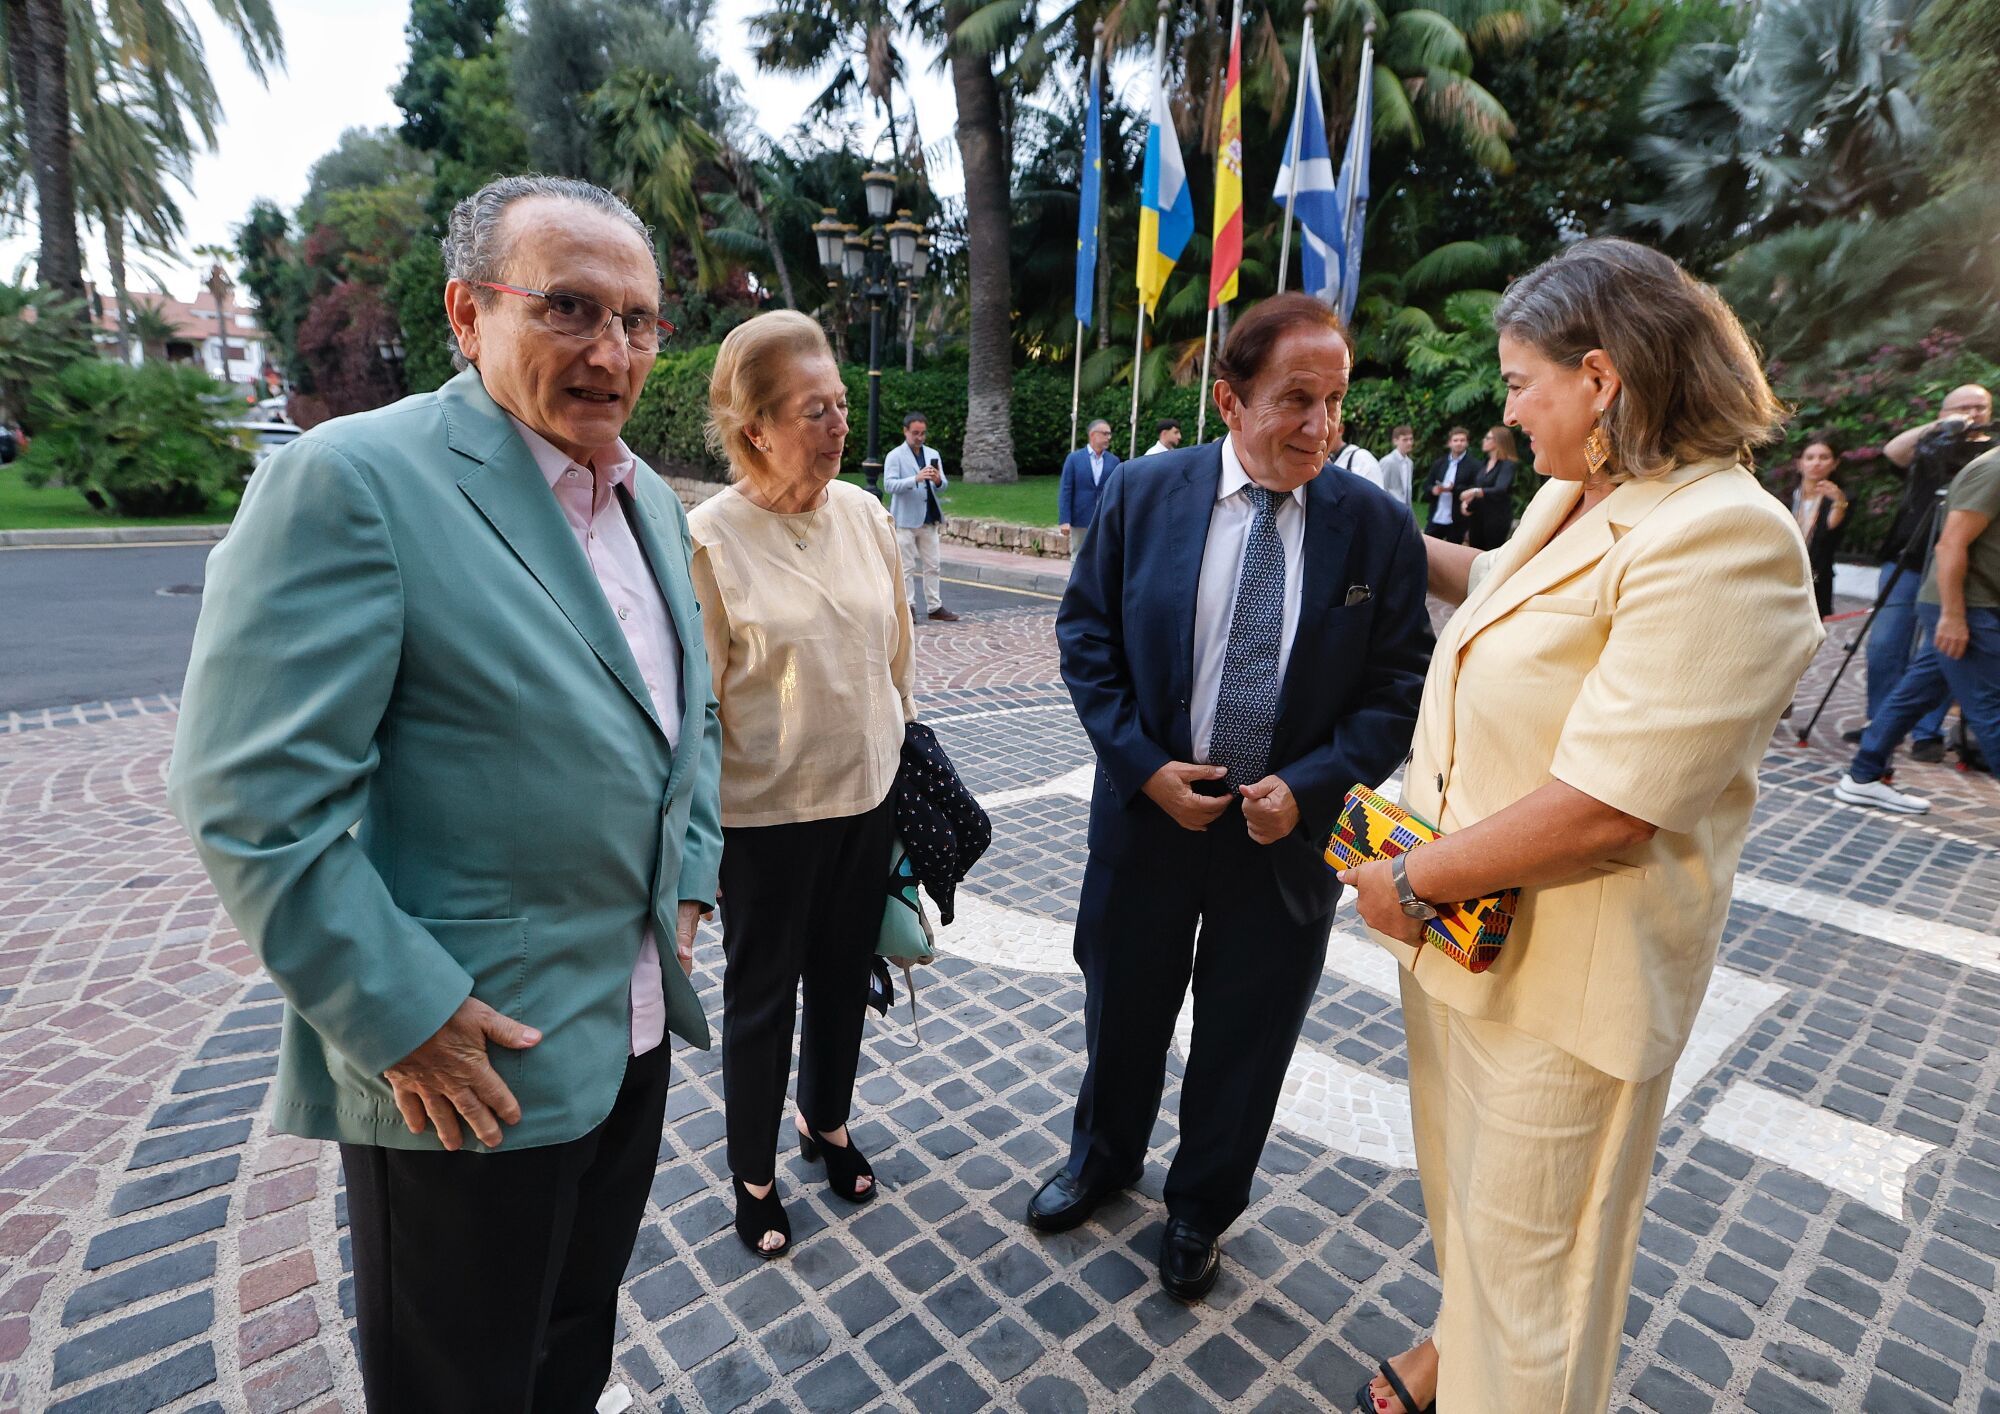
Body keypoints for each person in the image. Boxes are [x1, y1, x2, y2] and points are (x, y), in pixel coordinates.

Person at [167, 175, 725, 1412]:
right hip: (462, 1065)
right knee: (457, 1385)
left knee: (572, 1340)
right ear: (468, 314)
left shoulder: (656, 508)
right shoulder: (352, 482)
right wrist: (402, 1011)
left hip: (632, 1031)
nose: (612, 350)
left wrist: (689, 877)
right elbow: (253, 796)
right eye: (570, 307)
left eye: (637, 319)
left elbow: (694, 713)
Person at [1339, 238, 1821, 1414]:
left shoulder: (1723, 536)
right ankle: (1458, 1350)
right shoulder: (1576, 495)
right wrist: (1363, 529)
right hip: (1469, 945)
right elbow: (1493, 583)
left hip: (1561, 984)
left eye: (1517, 381)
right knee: (1475, 1224)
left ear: (1598, 378)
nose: (1504, 409)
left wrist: (1408, 883)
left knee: (1540, 1286)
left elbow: (1609, 809)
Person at [1037, 293, 1433, 1301]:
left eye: (1335, 401)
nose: (1321, 427)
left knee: (1244, 1039)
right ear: (1228, 398)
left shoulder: (1376, 531)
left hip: (1282, 844)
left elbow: (1399, 686)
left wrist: (1304, 791)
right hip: (1148, 818)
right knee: (1121, 1008)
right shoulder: (1141, 493)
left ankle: (1201, 1208)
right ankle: (1102, 1158)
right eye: (1294, 400)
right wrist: (1142, 768)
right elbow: (1087, 640)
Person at [689, 310, 916, 1257]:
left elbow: (898, 655)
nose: (838, 426)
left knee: (841, 980)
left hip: (865, 803)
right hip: (765, 821)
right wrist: (695, 864)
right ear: (756, 429)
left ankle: (825, 1124)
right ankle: (753, 1173)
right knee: (762, 998)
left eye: (838, 405)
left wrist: (894, 764)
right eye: (814, 410)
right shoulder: (709, 538)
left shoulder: (864, 514)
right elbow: (699, 711)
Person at [1835, 442, 2000, 814]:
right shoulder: (1993, 470)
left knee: (1917, 692)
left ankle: (1862, 776)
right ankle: (1863, 775)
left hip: (1974, 605)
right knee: (1991, 705)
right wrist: (1954, 617)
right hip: (1966, 606)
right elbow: (1950, 545)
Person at [1847, 384, 1994, 758]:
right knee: (1885, 644)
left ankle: (1926, 733)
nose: (1974, 413)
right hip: (1909, 559)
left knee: (1946, 651)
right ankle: (1877, 724)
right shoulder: (1928, 446)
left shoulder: (1992, 451)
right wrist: (1944, 424)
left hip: (1962, 567)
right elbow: (1893, 451)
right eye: (1964, 406)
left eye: (1981, 407)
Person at [884, 410, 960, 622]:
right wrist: (915, 479)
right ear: (905, 431)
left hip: (929, 518)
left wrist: (936, 480)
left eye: (923, 433)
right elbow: (889, 485)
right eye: (915, 433)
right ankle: (908, 607)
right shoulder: (895, 456)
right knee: (906, 567)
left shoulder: (932, 454)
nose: (920, 437)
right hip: (906, 520)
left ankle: (935, 606)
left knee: (933, 564)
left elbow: (943, 485)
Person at [1790, 433, 1849, 618]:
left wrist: (1838, 501)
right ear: (1800, 463)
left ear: (1835, 463)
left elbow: (1830, 528)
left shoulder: (1842, 497)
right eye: (1810, 458)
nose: (1816, 463)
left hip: (1816, 573)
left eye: (1824, 458)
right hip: (1782, 569)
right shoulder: (1786, 496)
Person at [1059, 419, 1121, 555]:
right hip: (1080, 517)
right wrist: (1064, 520)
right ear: (1093, 435)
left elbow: (1117, 491)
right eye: (1105, 434)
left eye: (1109, 434)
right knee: (1078, 554)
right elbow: (1066, 490)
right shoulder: (1074, 459)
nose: (1108, 438)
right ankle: (1076, 577)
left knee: (1103, 555)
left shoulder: (1114, 461)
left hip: (1104, 517)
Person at [1457, 425, 1521, 550]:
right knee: (1474, 552)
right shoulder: (1485, 463)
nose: (1484, 440)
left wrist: (1474, 492)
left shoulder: (1507, 465)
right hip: (1477, 516)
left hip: (1496, 518)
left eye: (1488, 438)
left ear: (1498, 442)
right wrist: (1467, 504)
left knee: (1490, 553)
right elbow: (1479, 488)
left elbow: (1500, 489)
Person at [1423, 426, 1481, 543]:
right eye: (1455, 440)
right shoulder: (1439, 463)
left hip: (1457, 519)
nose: (1459, 443)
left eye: (1462, 440)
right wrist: (1433, 490)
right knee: (1428, 550)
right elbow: (1427, 485)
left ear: (1467, 443)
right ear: (1449, 443)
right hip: (1437, 516)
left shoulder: (1474, 465)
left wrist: (1454, 489)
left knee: (1452, 554)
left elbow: (1475, 489)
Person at [1328, 417, 1384, 491]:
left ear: (1340, 429)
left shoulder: (1362, 458)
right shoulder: (1326, 461)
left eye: (1326, 428)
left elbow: (1376, 497)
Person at [1377, 424, 1418, 511]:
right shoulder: (1388, 461)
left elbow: (1407, 490)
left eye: (1411, 439)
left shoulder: (1409, 463)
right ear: (1395, 441)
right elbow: (1381, 488)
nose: (1409, 443)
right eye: (1405, 440)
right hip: (1391, 509)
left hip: (1405, 510)